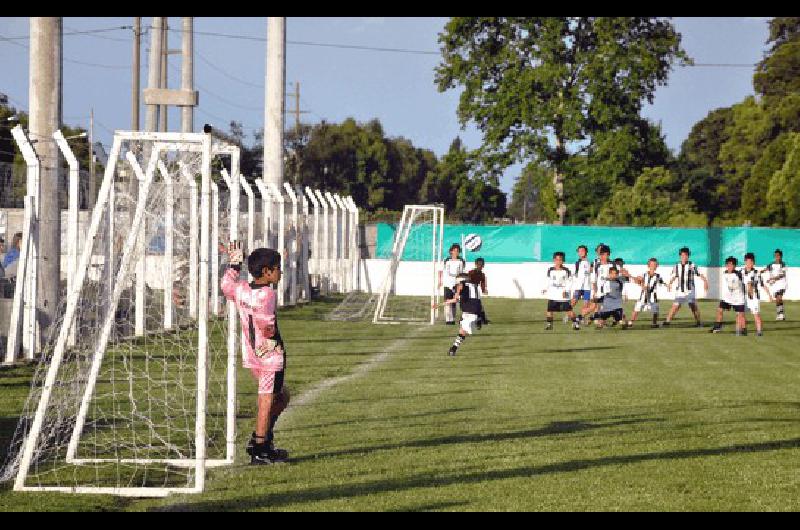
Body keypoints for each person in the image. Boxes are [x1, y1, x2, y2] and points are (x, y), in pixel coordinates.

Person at [221, 242, 291, 465]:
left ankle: (263, 439)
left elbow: (226, 285)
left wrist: (234, 264)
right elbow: (266, 325)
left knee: (281, 396)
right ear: (267, 272)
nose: (280, 271)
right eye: (278, 267)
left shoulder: (242, 289)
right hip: (269, 356)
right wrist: (271, 343)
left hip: (251, 356)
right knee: (266, 400)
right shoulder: (267, 295)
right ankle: (259, 447)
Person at [437, 272, 483, 357]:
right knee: (462, 331)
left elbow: (456, 297)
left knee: (462, 330)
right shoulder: (475, 286)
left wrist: (457, 292)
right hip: (473, 312)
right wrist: (440, 304)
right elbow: (476, 300)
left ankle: (453, 349)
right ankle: (453, 349)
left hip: (470, 313)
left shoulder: (462, 285)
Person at [663, 247, 708, 327]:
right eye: (682, 255)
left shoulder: (692, 265)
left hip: (690, 290)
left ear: (688, 256)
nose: (684, 257)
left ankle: (699, 322)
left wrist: (705, 281)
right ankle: (667, 322)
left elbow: (700, 274)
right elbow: (674, 276)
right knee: (675, 306)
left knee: (693, 306)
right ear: (680, 256)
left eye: (686, 255)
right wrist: (670, 284)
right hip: (680, 290)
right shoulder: (676, 266)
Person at [542, 251, 580, 331]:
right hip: (553, 294)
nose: (558, 261)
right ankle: (549, 324)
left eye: (560, 260)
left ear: (563, 261)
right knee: (549, 310)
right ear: (554, 260)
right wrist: (545, 288)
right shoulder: (550, 270)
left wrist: (566, 291)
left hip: (563, 294)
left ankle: (575, 323)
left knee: (569, 310)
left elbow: (570, 282)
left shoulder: (566, 271)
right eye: (557, 259)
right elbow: (548, 280)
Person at [710, 256, 747, 336]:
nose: (729, 266)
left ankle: (743, 329)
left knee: (741, 315)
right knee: (719, 310)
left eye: (731, 265)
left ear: (734, 266)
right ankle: (717, 327)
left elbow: (745, 283)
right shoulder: (724, 273)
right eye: (728, 265)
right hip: (727, 298)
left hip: (738, 298)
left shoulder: (739, 274)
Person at [627, 258, 666, 328]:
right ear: (648, 265)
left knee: (655, 310)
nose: (653, 266)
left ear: (657, 266)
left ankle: (654, 323)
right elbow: (638, 280)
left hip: (653, 297)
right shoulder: (644, 274)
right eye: (651, 265)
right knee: (637, 309)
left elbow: (662, 282)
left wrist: (667, 285)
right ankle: (631, 322)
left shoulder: (658, 276)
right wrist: (641, 284)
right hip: (643, 296)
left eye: (655, 265)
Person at [439, 243, 465, 325]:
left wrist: (461, 283)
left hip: (456, 284)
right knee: (447, 301)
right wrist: (440, 281)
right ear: (451, 251)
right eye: (454, 251)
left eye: (457, 251)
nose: (456, 252)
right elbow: (440, 271)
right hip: (447, 284)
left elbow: (461, 273)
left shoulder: (461, 261)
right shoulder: (446, 260)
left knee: (454, 301)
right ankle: (448, 319)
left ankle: (452, 319)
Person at [742, 252, 768, 337]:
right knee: (741, 314)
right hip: (744, 297)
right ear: (745, 262)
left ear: (754, 262)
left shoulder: (757, 273)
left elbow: (762, 284)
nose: (749, 264)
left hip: (754, 298)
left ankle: (759, 331)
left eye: (751, 262)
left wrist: (769, 295)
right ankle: (744, 330)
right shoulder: (741, 272)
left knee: (756, 314)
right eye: (747, 262)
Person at [587, 244, 614, 323]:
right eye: (599, 250)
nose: (599, 252)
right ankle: (583, 317)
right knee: (594, 305)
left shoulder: (611, 263)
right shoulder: (596, 262)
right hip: (594, 287)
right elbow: (593, 274)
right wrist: (594, 290)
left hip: (605, 289)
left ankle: (597, 318)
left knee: (600, 305)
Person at [761, 248, 787, 321]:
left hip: (782, 284)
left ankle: (781, 315)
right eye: (775, 255)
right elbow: (765, 269)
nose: (777, 257)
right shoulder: (771, 264)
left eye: (778, 255)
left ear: (781, 256)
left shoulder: (783, 264)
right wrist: (760, 272)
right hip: (774, 285)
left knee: (779, 297)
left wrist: (773, 279)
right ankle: (779, 314)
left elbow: (782, 275)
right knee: (777, 300)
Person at [570, 245, 593, 325]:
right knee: (573, 302)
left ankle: (581, 318)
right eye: (579, 251)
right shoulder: (577, 263)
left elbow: (592, 273)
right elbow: (574, 274)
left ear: (586, 252)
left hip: (587, 287)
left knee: (586, 304)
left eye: (582, 251)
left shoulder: (591, 263)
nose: (581, 252)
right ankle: (569, 315)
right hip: (578, 287)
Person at [470, 257, 490, 326]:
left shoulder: (482, 274)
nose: (480, 266)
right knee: (473, 306)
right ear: (476, 264)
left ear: (483, 265)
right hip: (470, 290)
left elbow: (483, 283)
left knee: (479, 306)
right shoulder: (471, 272)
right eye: (479, 264)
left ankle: (482, 319)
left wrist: (484, 290)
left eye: (481, 265)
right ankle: (481, 320)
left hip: (475, 290)